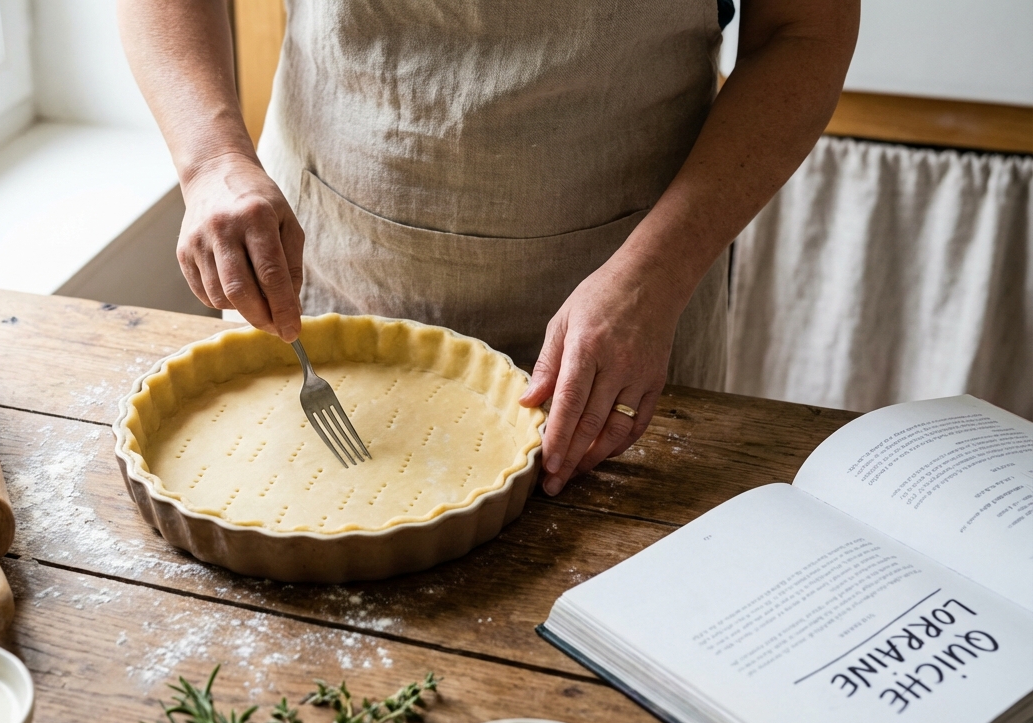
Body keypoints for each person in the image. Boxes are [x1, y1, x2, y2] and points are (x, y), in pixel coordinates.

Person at [118, 0, 858, 494]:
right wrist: (211, 160)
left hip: (626, 292)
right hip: (324, 261)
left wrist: (654, 274)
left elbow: (804, 30)